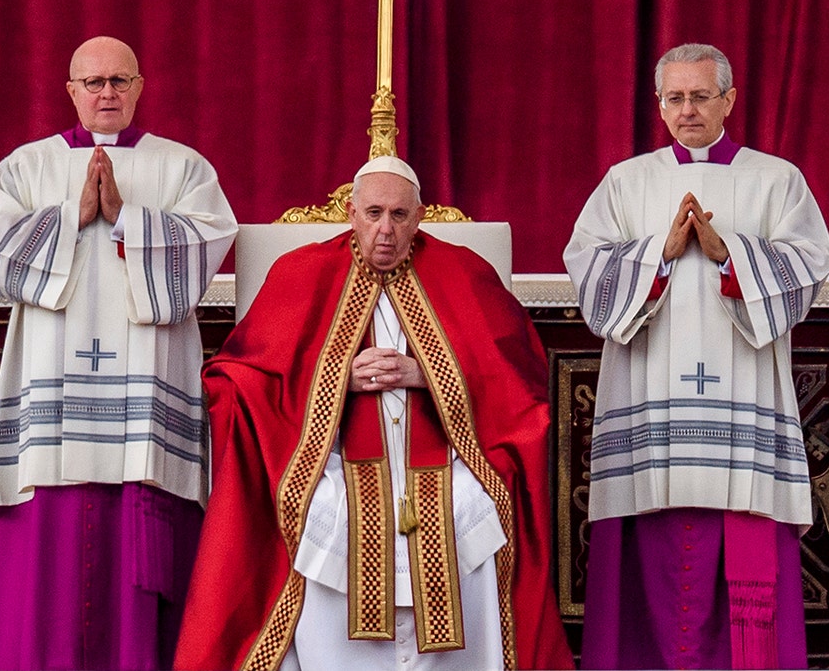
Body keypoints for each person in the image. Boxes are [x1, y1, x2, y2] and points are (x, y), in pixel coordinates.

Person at [174, 156, 572, 670]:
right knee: (324, 512)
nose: (386, 230)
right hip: (333, 467)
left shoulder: (466, 275)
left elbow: (520, 380)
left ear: (421, 216)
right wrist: (337, 378)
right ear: (351, 212)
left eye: (400, 216)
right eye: (374, 213)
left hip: (449, 468)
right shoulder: (300, 274)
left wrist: (428, 375)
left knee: (472, 508)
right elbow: (237, 380)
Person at [0, 36, 238, 670]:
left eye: (119, 81)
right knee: (52, 566)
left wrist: (126, 218)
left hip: (144, 401)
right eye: (93, 83)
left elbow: (205, 248)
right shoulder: (25, 167)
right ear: (71, 91)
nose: (107, 93)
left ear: (140, 87)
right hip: (51, 392)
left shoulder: (182, 168)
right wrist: (71, 214)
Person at [563, 43, 829, 670]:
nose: (688, 111)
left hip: (743, 400)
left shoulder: (776, 179)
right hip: (648, 402)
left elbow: (808, 265)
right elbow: (588, 273)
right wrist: (658, 254)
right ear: (660, 106)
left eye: (701, 96)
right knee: (648, 536)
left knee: (742, 527)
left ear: (729, 101)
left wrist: (727, 253)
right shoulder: (628, 181)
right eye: (675, 98)